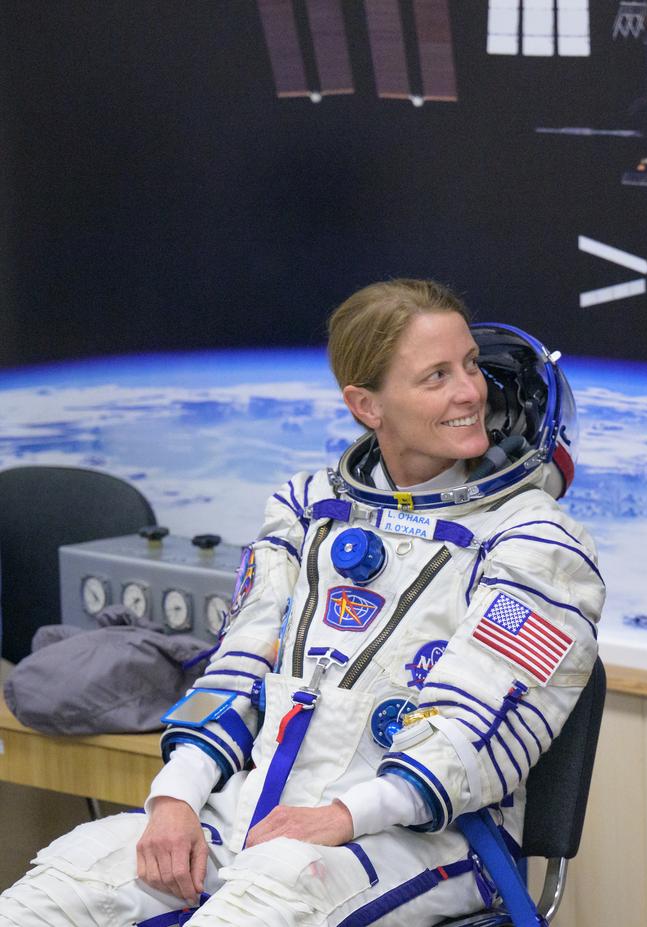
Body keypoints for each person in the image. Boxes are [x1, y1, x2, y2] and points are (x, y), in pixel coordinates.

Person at [0, 279, 606, 925]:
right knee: (53, 894)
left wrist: (345, 814)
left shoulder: (536, 543)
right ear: (367, 406)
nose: (471, 392)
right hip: (252, 811)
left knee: (257, 906)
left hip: (418, 839)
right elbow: (236, 670)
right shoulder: (307, 508)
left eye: (468, 366)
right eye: (436, 376)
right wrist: (173, 799)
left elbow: (475, 731)